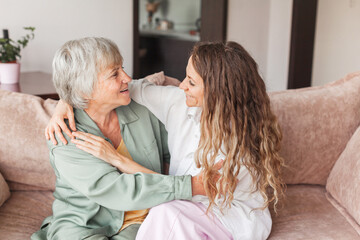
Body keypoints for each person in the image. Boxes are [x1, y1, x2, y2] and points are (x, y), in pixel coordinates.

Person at [46, 41, 285, 240]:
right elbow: (144, 84)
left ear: (219, 91)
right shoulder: (174, 103)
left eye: (191, 82)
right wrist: (66, 101)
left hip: (213, 216)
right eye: (115, 73)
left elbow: (192, 191)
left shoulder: (236, 139)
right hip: (93, 224)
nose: (181, 85)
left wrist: (118, 160)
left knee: (166, 214)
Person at [32, 37, 213, 240]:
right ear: (85, 89)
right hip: (84, 226)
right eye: (114, 74)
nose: (126, 77)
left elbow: (172, 153)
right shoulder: (64, 135)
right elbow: (118, 190)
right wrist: (190, 186)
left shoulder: (141, 108)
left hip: (143, 219)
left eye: (122, 68)